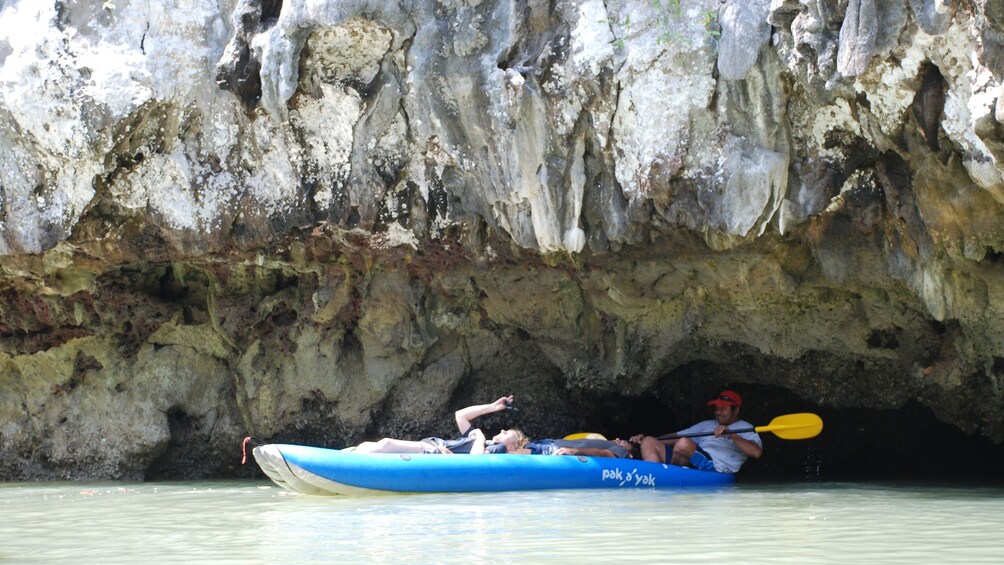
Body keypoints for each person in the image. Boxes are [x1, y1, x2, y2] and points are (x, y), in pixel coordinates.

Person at [629, 390, 762, 473]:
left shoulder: (747, 427)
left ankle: (671, 475)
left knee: (683, 445)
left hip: (716, 466)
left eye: (723, 408)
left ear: (736, 410)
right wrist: (641, 440)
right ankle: (654, 474)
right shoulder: (707, 424)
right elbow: (676, 436)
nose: (718, 412)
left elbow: (756, 453)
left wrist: (731, 434)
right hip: (692, 459)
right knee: (649, 441)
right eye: (716, 408)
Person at [354, 395, 529, 454]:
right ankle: (350, 456)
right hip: (433, 444)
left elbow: (476, 458)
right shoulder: (482, 441)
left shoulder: (496, 449)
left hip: (435, 450)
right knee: (381, 444)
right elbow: (460, 416)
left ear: (511, 447)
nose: (502, 430)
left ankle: (350, 464)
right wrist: (491, 407)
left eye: (507, 434)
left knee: (387, 444)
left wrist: (480, 437)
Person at [519, 437, 635, 458]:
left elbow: (605, 454)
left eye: (624, 442)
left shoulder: (622, 451)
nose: (618, 440)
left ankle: (504, 451)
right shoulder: (606, 442)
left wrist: (576, 451)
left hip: (556, 449)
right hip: (550, 443)